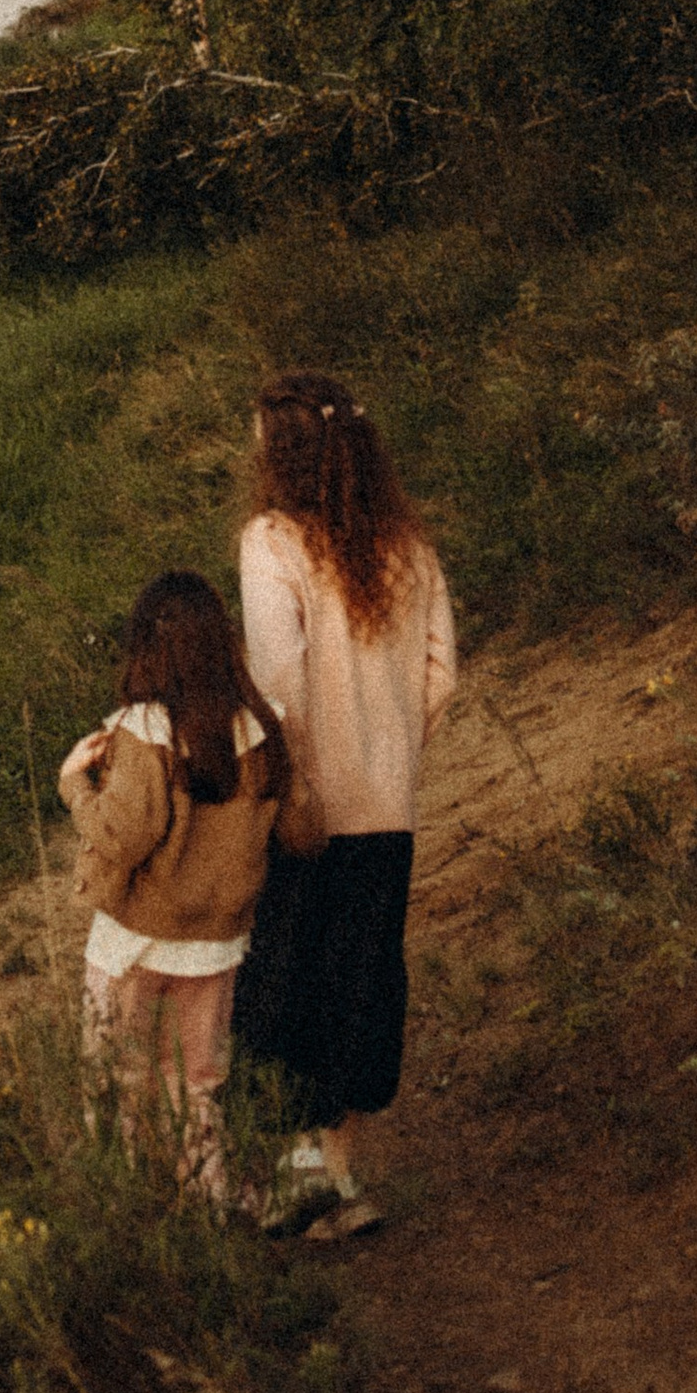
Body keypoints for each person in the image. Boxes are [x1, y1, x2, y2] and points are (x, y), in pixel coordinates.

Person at [234, 371, 458, 1238]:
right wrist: (393, 750)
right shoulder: (409, 548)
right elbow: (443, 675)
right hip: (387, 803)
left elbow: (278, 675)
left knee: (287, 976)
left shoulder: (272, 543)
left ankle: (297, 1175)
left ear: (283, 452)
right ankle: (343, 1174)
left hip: (309, 804)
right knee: (363, 978)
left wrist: (297, 778)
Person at [58, 567, 324, 1206]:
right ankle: (210, 1198)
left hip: (133, 944)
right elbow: (302, 830)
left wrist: (75, 784)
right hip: (214, 945)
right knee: (197, 1081)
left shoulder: (146, 732)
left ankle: (132, 1207)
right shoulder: (261, 729)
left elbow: (122, 838)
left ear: (146, 647)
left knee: (117, 1080)